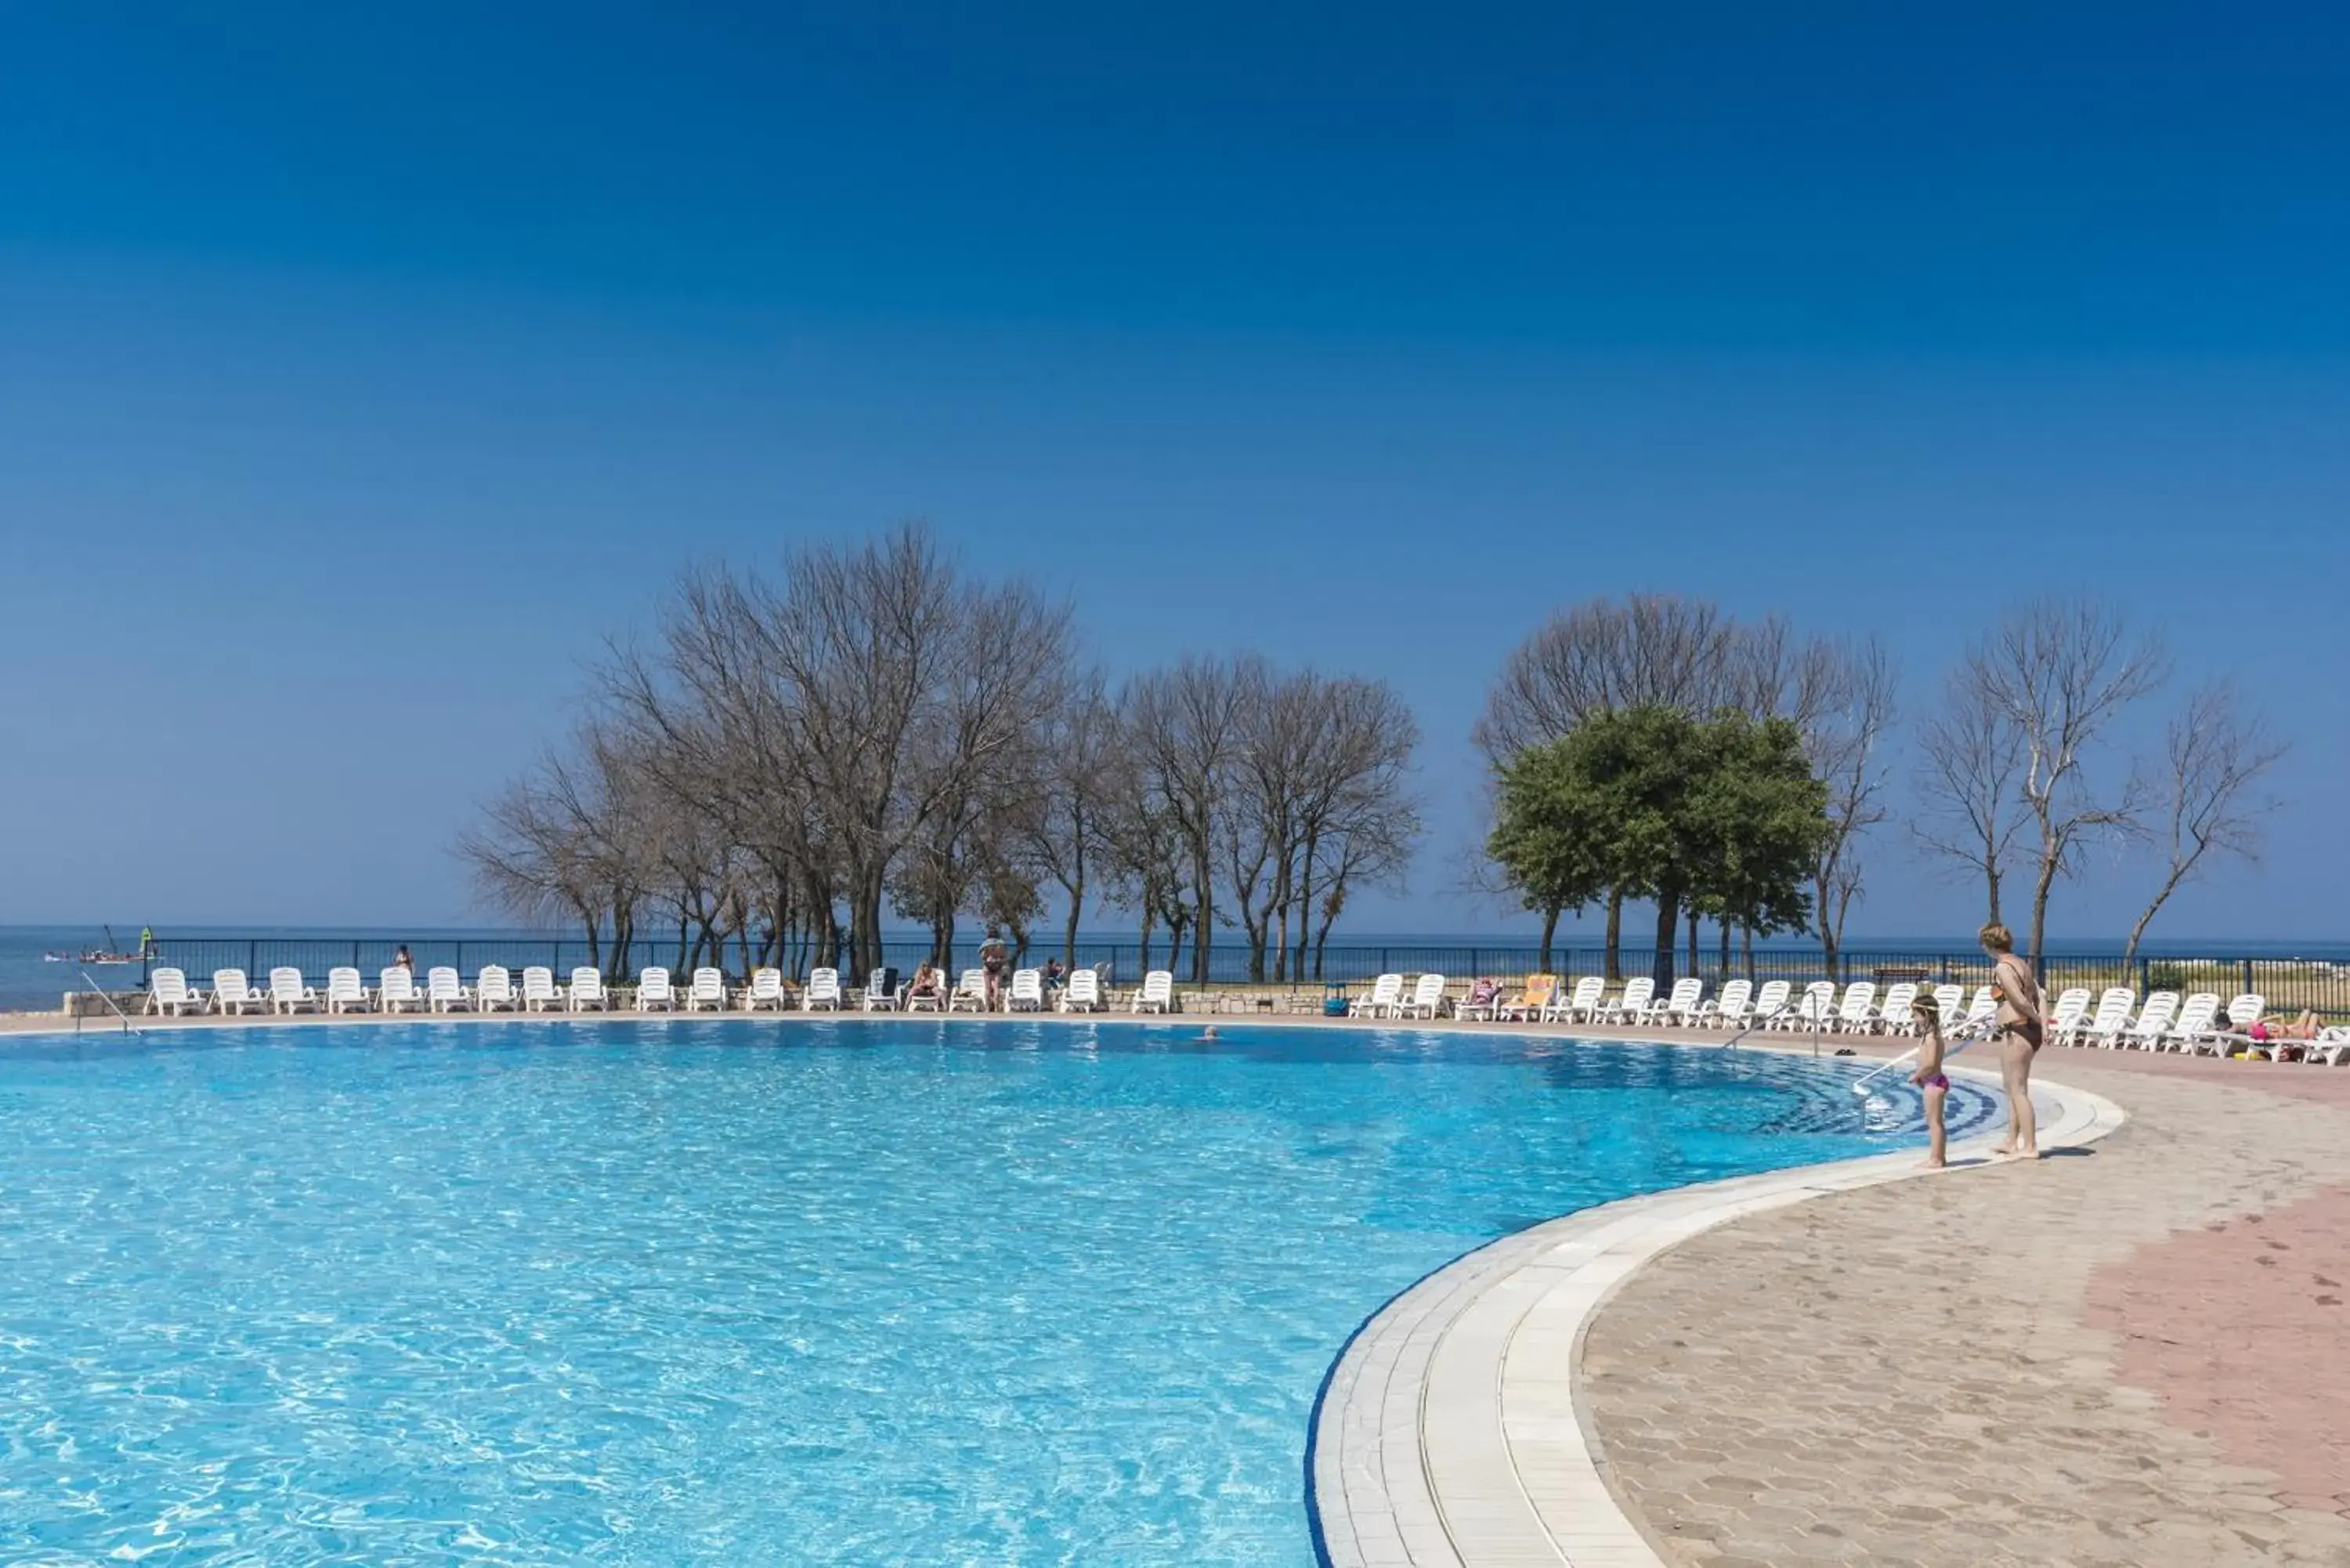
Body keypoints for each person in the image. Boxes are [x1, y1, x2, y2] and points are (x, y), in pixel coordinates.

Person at [1981, 923, 2042, 1159]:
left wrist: (2038, 1020)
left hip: (2018, 1030)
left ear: (1988, 946)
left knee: (2018, 1090)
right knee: (2014, 1087)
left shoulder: (2003, 969)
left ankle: (2030, 1146)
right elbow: (2037, 995)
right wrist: (2039, 1023)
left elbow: (2021, 1001)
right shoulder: (2022, 964)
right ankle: (2011, 1140)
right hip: (2024, 1031)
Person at [1907, 992, 1951, 1169]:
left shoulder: (1932, 1038)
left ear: (1925, 1015)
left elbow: (1931, 1063)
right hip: (1933, 1082)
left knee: (1934, 1123)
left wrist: (1917, 1075)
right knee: (1936, 1122)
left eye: (1916, 1015)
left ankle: (1936, 1159)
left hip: (1934, 1083)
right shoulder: (1932, 1035)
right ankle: (1940, 1156)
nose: (1914, 1019)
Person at [978, 927, 1009, 1009]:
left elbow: (982, 956)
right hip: (998, 965)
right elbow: (1004, 956)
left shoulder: (986, 944)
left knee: (987, 988)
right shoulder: (1001, 944)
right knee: (997, 988)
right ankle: (996, 1007)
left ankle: (988, 1007)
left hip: (988, 965)